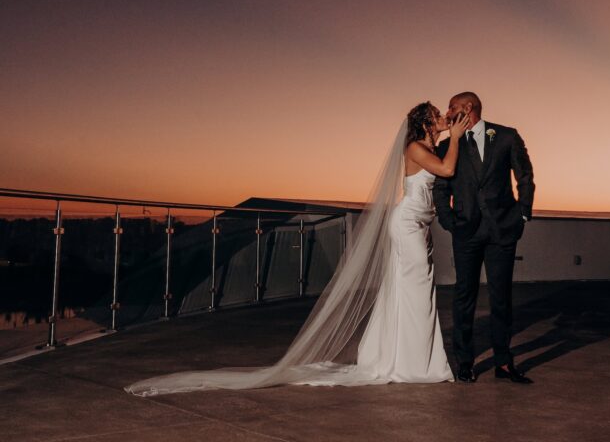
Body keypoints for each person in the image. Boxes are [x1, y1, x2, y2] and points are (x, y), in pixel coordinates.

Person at [126, 102, 470, 396]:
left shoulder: (430, 147)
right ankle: (414, 363)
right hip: (407, 225)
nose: (443, 119)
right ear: (425, 122)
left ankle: (406, 357)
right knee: (415, 291)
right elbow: (448, 169)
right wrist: (453, 138)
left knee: (413, 292)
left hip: (419, 227)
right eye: (438, 116)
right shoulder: (415, 149)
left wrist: (452, 137)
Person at [433, 91, 535, 385]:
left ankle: (504, 364)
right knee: (464, 297)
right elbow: (441, 188)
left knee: (501, 298)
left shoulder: (505, 136)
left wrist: (523, 213)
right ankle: (464, 363)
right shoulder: (446, 145)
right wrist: (448, 220)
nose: (447, 110)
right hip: (465, 231)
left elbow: (524, 175)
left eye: (452, 106)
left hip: (502, 229)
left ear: (468, 108)